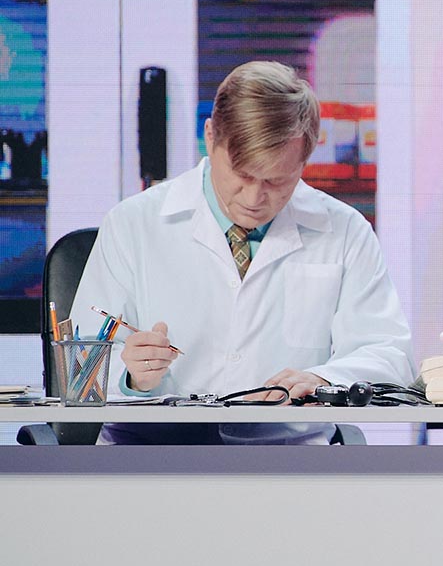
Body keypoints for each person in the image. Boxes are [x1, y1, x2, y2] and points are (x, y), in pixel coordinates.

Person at [71, 60, 414, 445]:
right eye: (242, 174)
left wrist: (325, 379)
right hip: (151, 454)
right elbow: (81, 373)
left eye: (277, 181)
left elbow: (389, 354)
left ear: (306, 158)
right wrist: (132, 377)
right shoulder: (133, 223)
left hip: (289, 456)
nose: (254, 198)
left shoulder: (345, 231)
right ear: (210, 137)